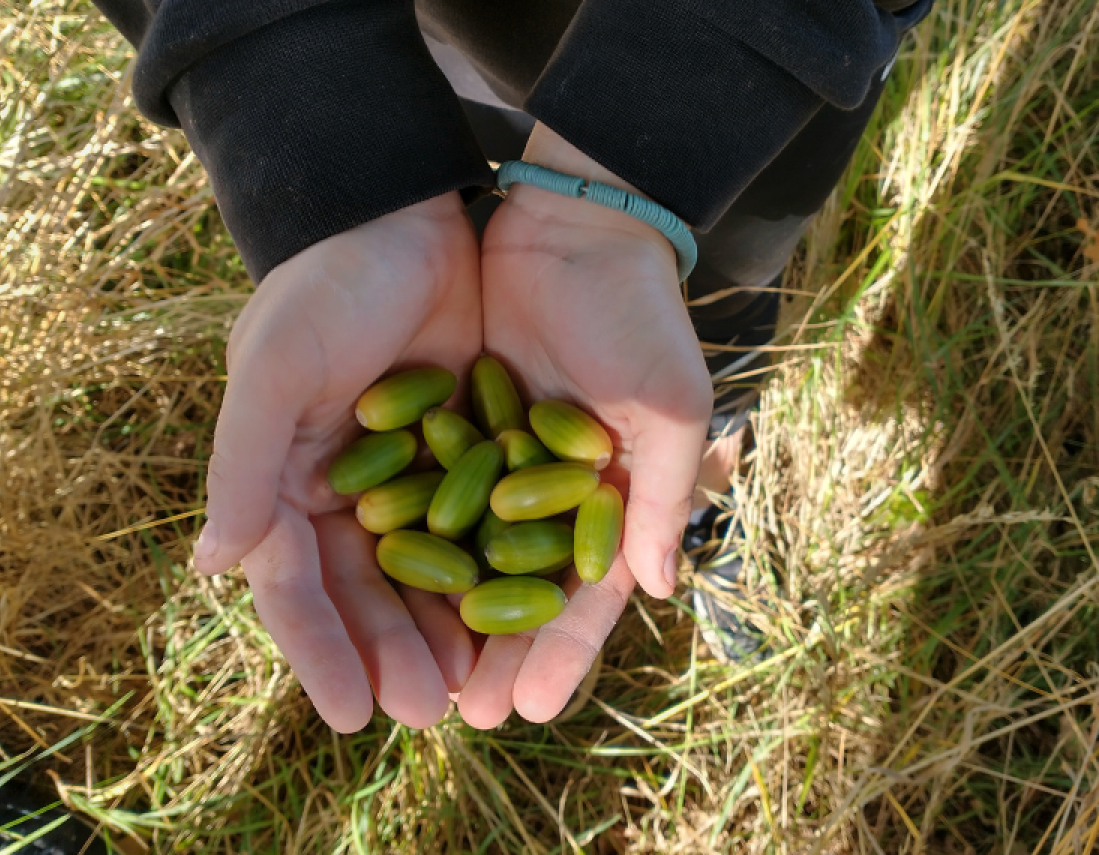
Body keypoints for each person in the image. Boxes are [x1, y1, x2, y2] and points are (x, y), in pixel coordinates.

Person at [75, 0, 936, 734]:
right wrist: (308, 116)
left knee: (710, 271)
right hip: (438, 36)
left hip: (752, 67)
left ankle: (711, 448)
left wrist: (661, 130)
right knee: (498, 132)